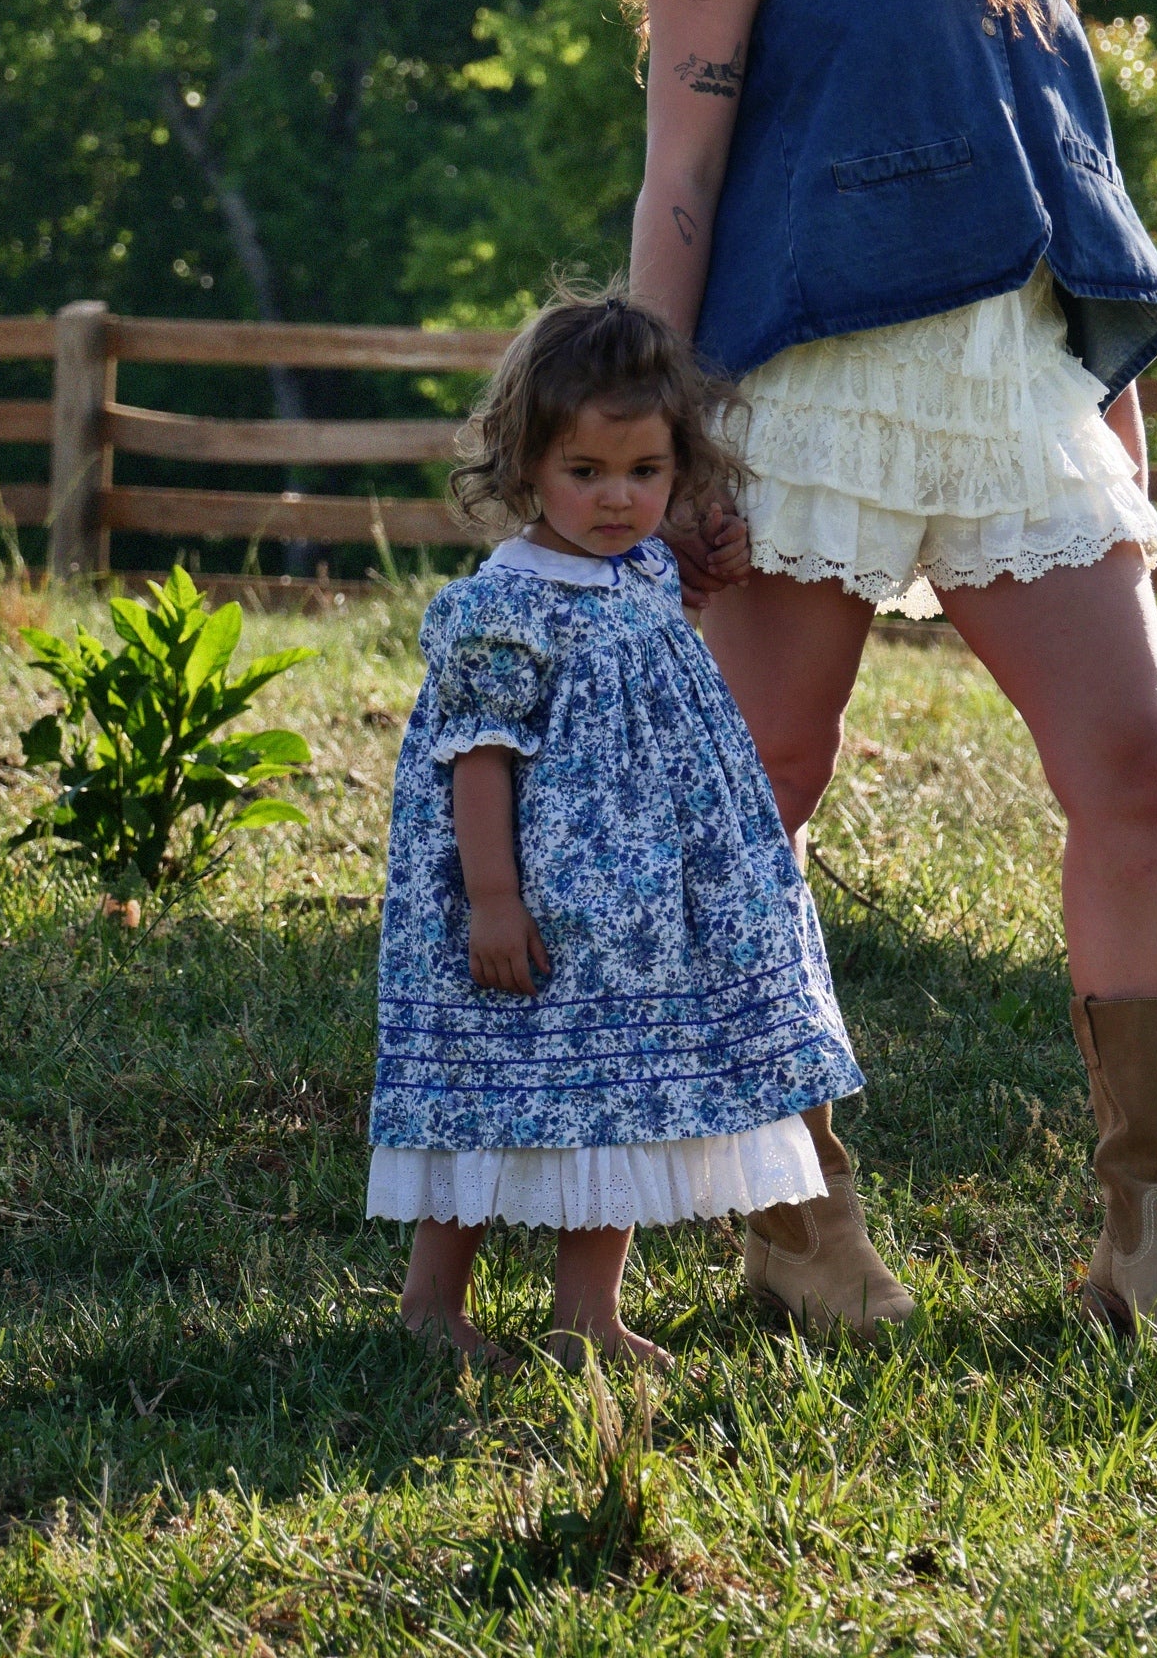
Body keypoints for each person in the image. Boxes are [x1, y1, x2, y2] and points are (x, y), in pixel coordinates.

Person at [625, 0, 1157, 1361]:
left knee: (1135, 773)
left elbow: (1053, 149)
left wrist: (1101, 396)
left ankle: (1155, 1247)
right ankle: (794, 1219)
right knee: (760, 800)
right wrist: (657, 444)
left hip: (1009, 384)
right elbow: (679, 183)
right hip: (799, 388)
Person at [366, 284, 863, 1364]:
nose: (614, 499)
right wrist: (494, 898)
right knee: (490, 1093)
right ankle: (429, 1305)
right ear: (526, 465)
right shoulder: (505, 601)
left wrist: (700, 572)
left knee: (622, 1096)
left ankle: (586, 1310)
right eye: (584, 473)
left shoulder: (641, 569)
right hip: (534, 902)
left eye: (644, 473)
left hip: (643, 913)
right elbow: (478, 758)